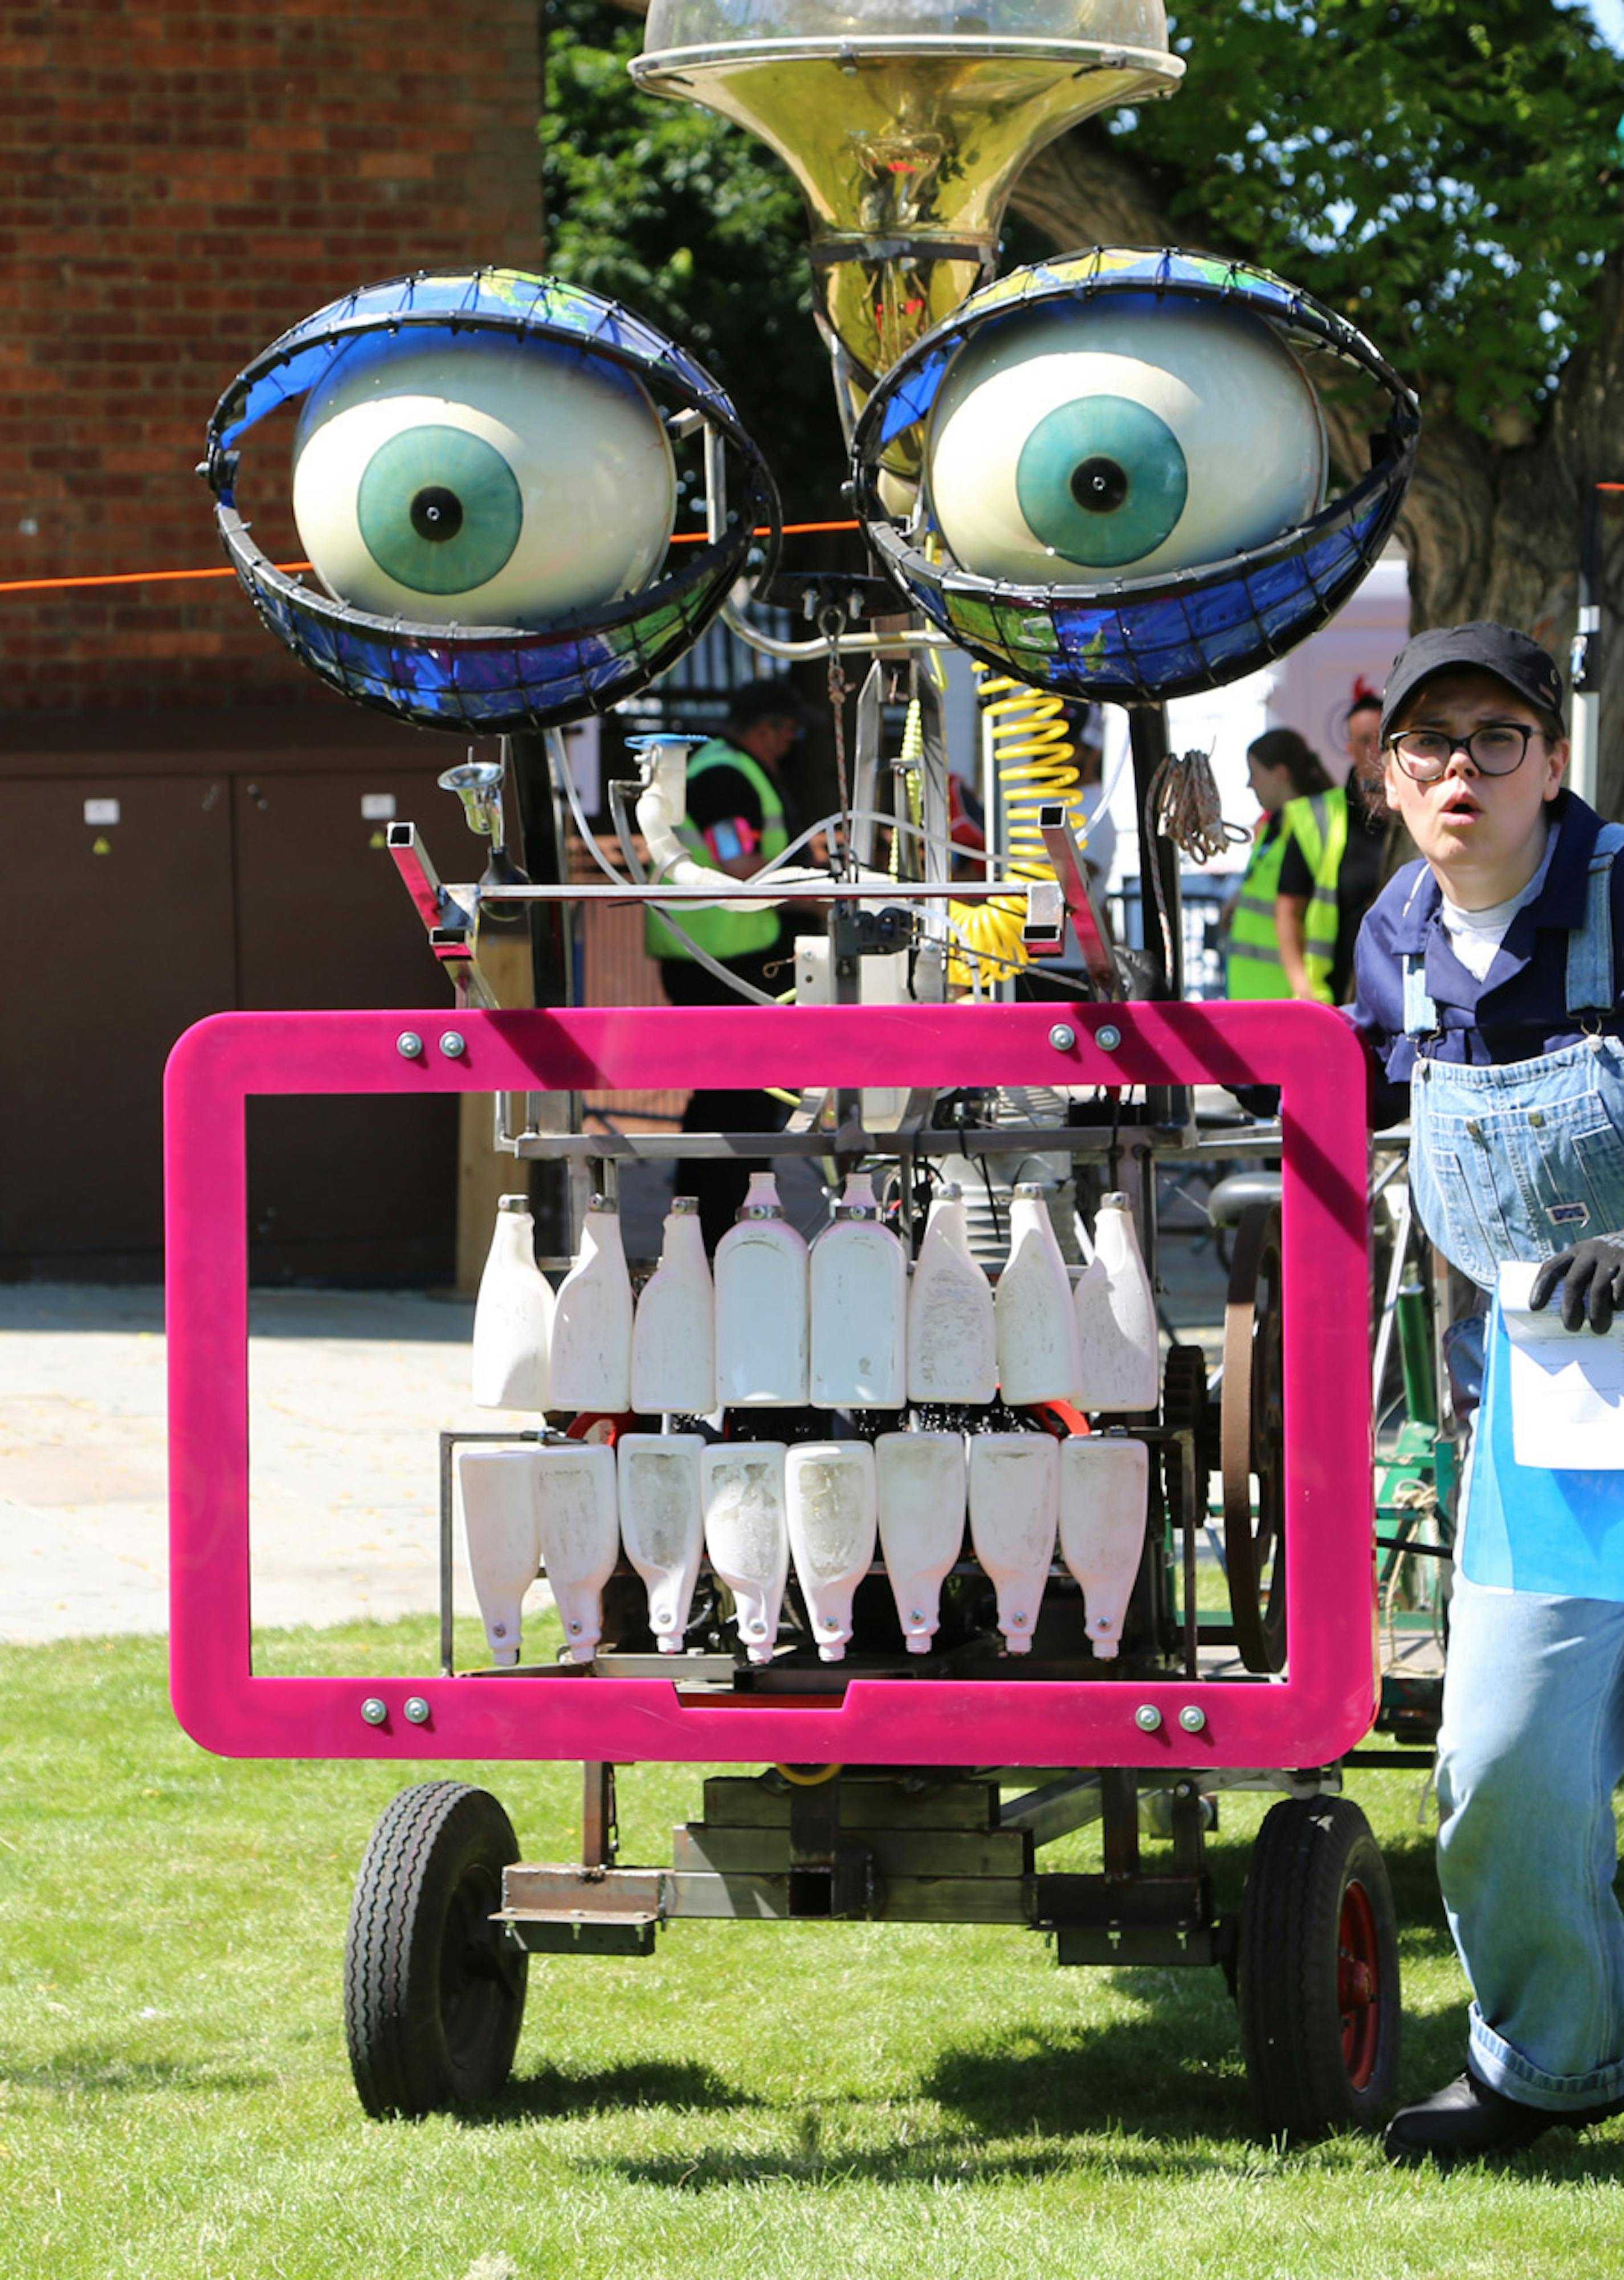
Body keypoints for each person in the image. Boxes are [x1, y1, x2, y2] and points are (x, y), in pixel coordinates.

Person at [1346, 622, 1624, 2167]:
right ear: (1391, 778)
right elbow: (1346, 1079)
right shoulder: (1394, 930)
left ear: (1554, 760)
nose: (1464, 769)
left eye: (1497, 738)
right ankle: (1553, 2064)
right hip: (1553, 1421)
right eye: (1430, 743)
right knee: (1505, 1761)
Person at [644, 677, 808, 1251]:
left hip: (725, 957)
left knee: (737, 1093)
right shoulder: (724, 773)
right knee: (735, 1095)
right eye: (788, 731)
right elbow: (740, 863)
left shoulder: (730, 769)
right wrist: (827, 890)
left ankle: (719, 1220)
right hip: (718, 960)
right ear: (766, 727)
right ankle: (717, 1225)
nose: (791, 744)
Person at [1275, 737, 1389, 1005]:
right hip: (1332, 993)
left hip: (1399, 991)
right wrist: (1304, 989)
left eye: (1380, 739)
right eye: (1364, 741)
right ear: (1349, 748)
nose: (1374, 750)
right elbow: (1289, 909)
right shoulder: (1318, 816)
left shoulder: (1418, 815)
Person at [1224, 728, 1333, 998]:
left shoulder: (1308, 829)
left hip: (1285, 995)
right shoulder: (1272, 826)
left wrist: (1303, 990)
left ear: (1281, 773)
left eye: (1255, 773)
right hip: (1251, 993)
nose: (1250, 784)